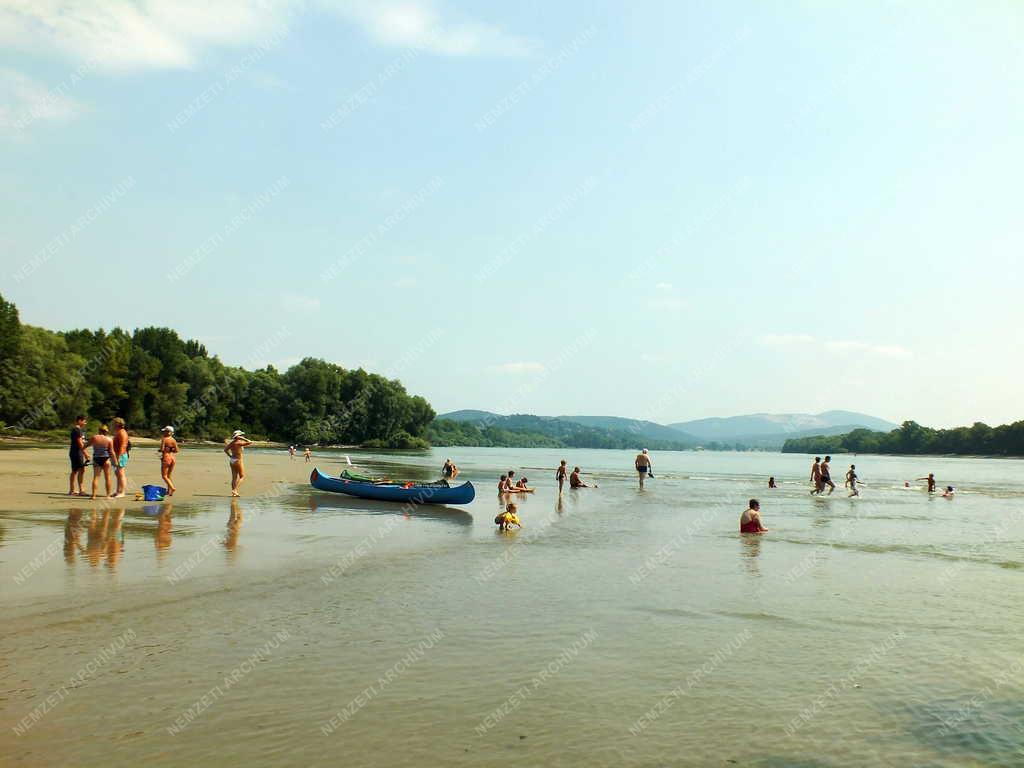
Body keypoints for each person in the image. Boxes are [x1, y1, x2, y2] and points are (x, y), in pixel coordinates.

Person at [224, 430, 253, 497]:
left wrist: (230, 455)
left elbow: (225, 450)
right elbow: (250, 442)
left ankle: (234, 493)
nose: (242, 436)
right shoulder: (239, 443)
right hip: (238, 460)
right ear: (239, 436)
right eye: (241, 435)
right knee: (242, 477)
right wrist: (243, 438)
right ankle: (235, 490)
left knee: (234, 477)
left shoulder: (232, 443)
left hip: (232, 460)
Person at [88, 425, 114, 499]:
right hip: (106, 459)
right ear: (106, 432)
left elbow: (85, 445)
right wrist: (115, 461)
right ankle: (108, 495)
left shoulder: (94, 437)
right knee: (108, 477)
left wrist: (84, 451)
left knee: (96, 477)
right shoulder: (109, 439)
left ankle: (93, 495)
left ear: (99, 430)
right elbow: (111, 451)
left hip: (96, 458)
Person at [68, 415, 89, 496]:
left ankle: (72, 490)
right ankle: (80, 490)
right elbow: (80, 443)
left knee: (77, 470)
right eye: (84, 421)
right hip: (76, 452)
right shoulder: (77, 430)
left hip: (76, 452)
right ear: (79, 421)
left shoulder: (78, 430)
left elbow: (83, 442)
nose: (85, 423)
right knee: (79, 470)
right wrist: (86, 454)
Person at [111, 417, 130, 498]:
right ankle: (118, 491)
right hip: (117, 455)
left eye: (114, 423)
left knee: (121, 474)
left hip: (121, 455)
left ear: (118, 424)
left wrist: (118, 458)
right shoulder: (118, 432)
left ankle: (122, 492)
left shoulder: (122, 433)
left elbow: (123, 446)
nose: (112, 425)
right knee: (117, 474)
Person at [158, 426, 178, 497]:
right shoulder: (173, 440)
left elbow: (162, 449)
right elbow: (176, 450)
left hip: (166, 458)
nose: (163, 433)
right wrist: (170, 449)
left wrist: (160, 450)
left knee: (164, 476)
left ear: (168, 432)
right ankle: (169, 491)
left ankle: (172, 488)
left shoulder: (164, 439)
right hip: (172, 458)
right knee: (169, 475)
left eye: (165, 431)